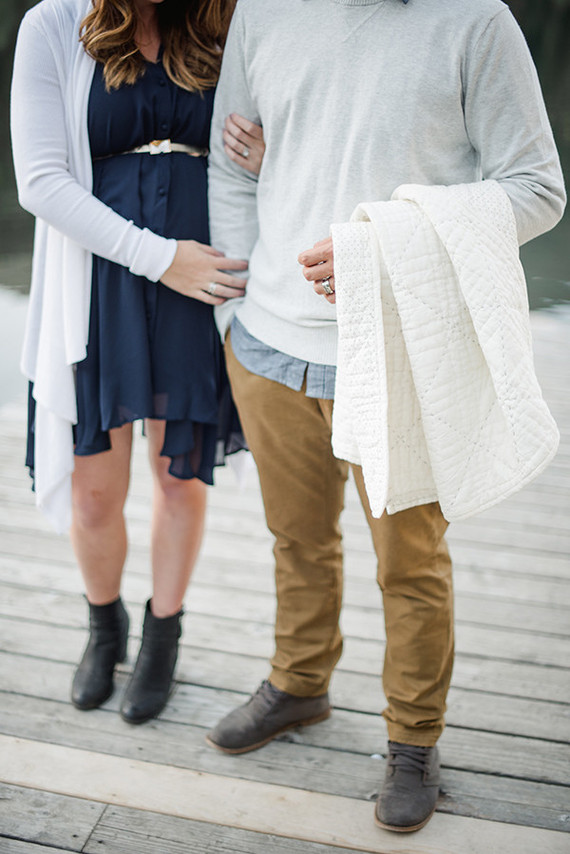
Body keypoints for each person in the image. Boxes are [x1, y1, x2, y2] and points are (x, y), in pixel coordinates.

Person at [205, 0, 565, 834]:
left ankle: (413, 742)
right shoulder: (263, 11)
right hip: (265, 344)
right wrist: (240, 301)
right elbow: (232, 163)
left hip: (399, 352)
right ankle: (299, 684)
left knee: (410, 564)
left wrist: (385, 245)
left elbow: (538, 190)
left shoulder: (479, 23)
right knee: (297, 540)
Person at [10, 0, 264, 725]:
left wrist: (270, 157)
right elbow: (41, 182)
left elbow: (286, 132)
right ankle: (104, 626)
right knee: (95, 490)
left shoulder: (224, 22)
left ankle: (163, 631)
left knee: (179, 477)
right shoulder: (52, 25)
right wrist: (162, 261)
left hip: (203, 278)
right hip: (102, 278)